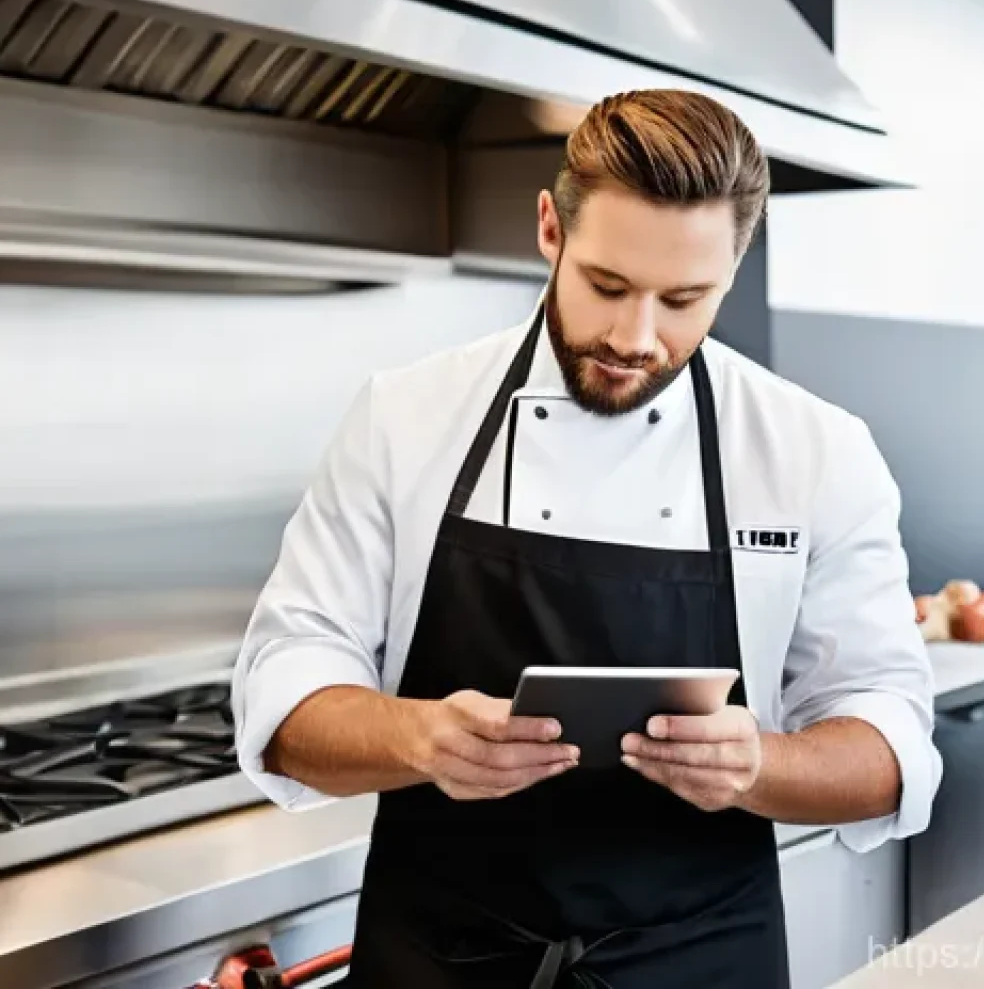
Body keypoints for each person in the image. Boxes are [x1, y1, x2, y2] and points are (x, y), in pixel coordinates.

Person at [231, 88, 941, 988]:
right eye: (607, 286)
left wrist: (759, 763)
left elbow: (889, 749)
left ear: (733, 270)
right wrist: (419, 737)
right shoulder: (404, 417)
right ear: (549, 231)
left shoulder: (813, 451)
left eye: (685, 299)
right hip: (438, 953)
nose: (634, 337)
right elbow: (287, 697)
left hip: (702, 960)